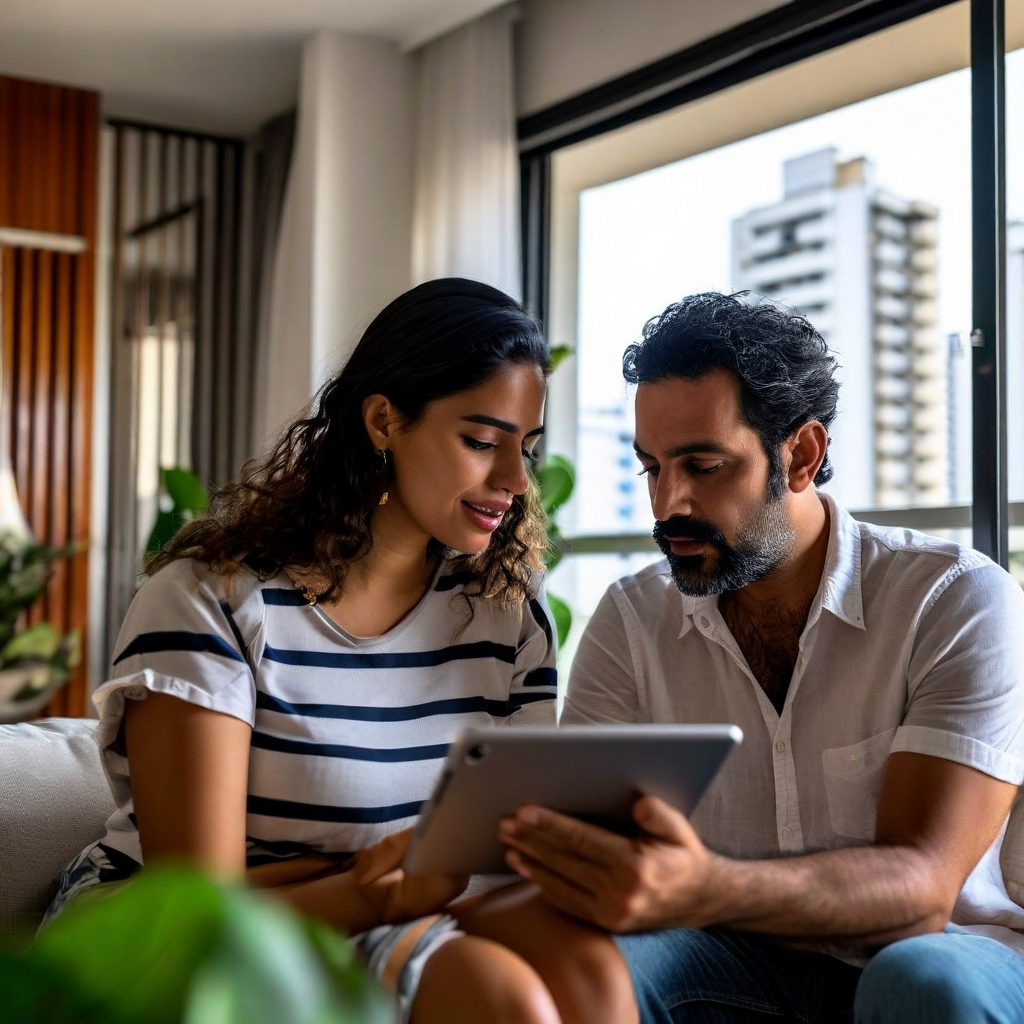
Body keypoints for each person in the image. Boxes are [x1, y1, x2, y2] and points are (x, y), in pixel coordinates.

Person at [48, 279, 635, 1024]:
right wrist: (366, 888)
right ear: (385, 421)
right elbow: (197, 911)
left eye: (526, 447)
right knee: (500, 997)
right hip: (176, 940)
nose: (516, 482)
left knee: (593, 975)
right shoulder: (213, 601)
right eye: (483, 442)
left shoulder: (506, 616)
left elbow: (494, 856)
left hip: (384, 905)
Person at [498, 291, 1024, 1023]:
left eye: (705, 465)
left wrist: (702, 885)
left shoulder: (953, 598)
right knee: (591, 963)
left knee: (918, 979)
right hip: (737, 964)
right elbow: (593, 849)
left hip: (942, 953)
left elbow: (921, 887)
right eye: (651, 467)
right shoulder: (632, 618)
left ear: (802, 455)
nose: (668, 503)